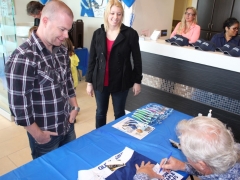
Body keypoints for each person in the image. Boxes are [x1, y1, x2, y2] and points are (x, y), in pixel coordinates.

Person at [5, 0, 79, 159]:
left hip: (67, 126)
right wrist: (38, 135)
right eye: (62, 29)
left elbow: (68, 82)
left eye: (68, 30)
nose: (66, 35)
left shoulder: (61, 50)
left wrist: (75, 107)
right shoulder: (23, 57)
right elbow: (19, 106)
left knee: (71, 166)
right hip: (46, 134)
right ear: (45, 21)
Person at [86, 0, 142, 128]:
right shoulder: (98, 34)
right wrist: (89, 82)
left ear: (122, 16)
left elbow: (137, 59)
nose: (115, 17)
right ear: (107, 14)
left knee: (119, 113)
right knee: (100, 113)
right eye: (112, 13)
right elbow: (92, 59)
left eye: (119, 14)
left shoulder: (130, 34)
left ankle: (118, 139)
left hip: (121, 81)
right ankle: (100, 137)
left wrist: (137, 81)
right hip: (101, 81)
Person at [133, 116, 240, 180]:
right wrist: (183, 166)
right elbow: (210, 168)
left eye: (186, 155)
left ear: (201, 164)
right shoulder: (230, 155)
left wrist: (142, 176)